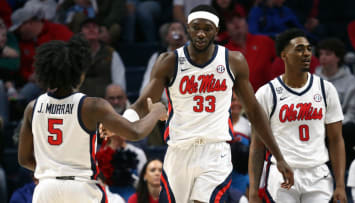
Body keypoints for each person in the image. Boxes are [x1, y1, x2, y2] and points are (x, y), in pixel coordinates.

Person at [121, 5, 293, 202]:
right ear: (188, 27)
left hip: (215, 151)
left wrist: (278, 156)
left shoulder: (233, 61)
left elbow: (254, 110)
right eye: (196, 27)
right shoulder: (170, 61)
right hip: (179, 151)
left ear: (217, 31)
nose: (201, 33)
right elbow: (143, 104)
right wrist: (122, 122)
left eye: (207, 28)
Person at [17, 34, 167, 202]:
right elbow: (135, 132)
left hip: (45, 189)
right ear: (80, 73)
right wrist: (157, 111)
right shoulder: (91, 106)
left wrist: (53, 172)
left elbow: (24, 159)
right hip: (80, 188)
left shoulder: (33, 107)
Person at [249, 28, 347, 203]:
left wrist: (340, 185)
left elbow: (336, 139)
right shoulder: (266, 93)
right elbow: (257, 146)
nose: (307, 53)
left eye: (309, 49)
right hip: (282, 174)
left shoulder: (326, 89)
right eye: (300, 49)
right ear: (284, 54)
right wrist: (254, 190)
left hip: (318, 174)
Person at [315, 38, 355, 125]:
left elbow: (353, 115)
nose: (323, 57)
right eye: (321, 54)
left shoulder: (351, 82)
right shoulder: (312, 80)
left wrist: (332, 125)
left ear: (338, 58)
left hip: (342, 128)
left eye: (328, 54)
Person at [79, 18, 127, 97]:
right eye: (87, 27)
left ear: (99, 32)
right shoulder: (74, 55)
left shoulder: (111, 54)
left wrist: (116, 99)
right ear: (80, 33)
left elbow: (119, 83)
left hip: (105, 104)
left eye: (94, 27)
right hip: (81, 103)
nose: (91, 30)